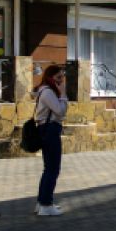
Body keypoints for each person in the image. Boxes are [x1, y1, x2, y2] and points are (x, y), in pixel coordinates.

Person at [34, 64, 69, 217]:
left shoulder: (45, 90)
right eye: (58, 77)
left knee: (48, 168)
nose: (61, 80)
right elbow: (60, 112)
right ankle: (46, 205)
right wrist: (63, 94)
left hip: (47, 129)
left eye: (62, 77)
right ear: (50, 77)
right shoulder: (48, 92)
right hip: (50, 129)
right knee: (53, 169)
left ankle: (42, 202)